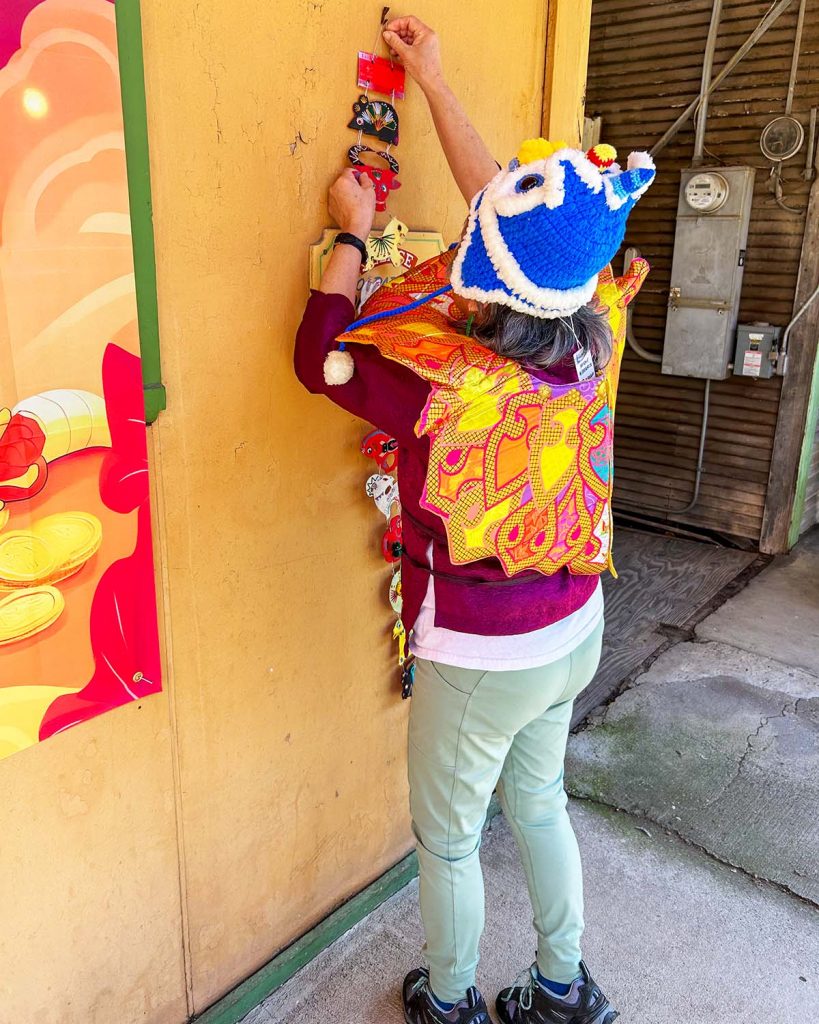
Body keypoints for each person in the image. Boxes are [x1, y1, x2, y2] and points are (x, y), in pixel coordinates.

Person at [294, 16, 655, 1024]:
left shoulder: (438, 393)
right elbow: (509, 206)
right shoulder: (595, 322)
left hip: (482, 651)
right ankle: (561, 987)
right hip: (575, 624)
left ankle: (448, 1002)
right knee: (540, 802)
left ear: (484, 281)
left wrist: (353, 235)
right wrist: (435, 80)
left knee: (450, 840)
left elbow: (319, 354)